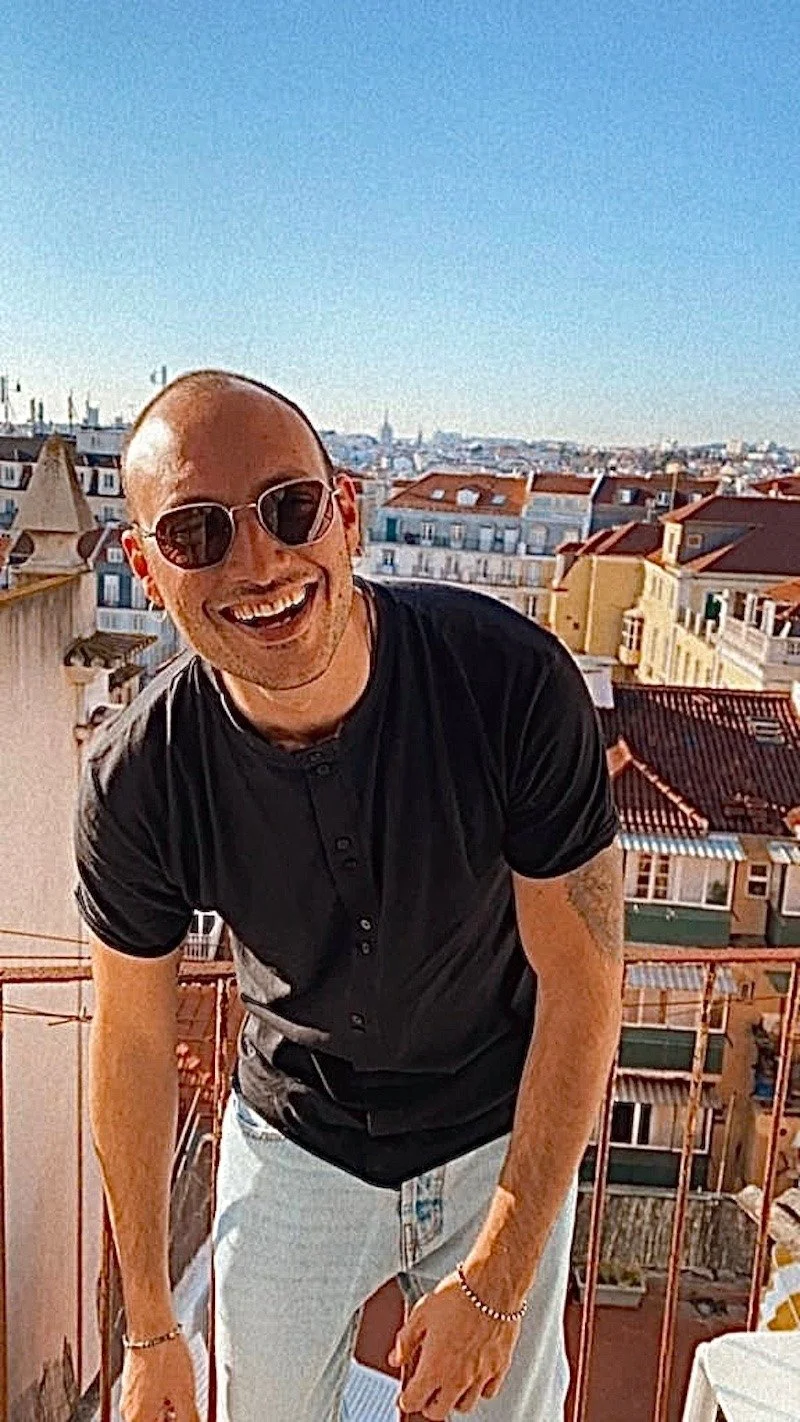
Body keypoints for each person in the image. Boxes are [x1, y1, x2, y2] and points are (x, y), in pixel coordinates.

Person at [78, 370, 624, 1422]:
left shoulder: (509, 683)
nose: (260, 563)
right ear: (144, 567)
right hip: (297, 1139)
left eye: (289, 508)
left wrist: (499, 1278)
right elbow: (133, 1043)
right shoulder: (139, 777)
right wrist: (149, 1328)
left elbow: (584, 980)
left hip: (495, 1130)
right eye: (197, 532)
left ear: (346, 512)